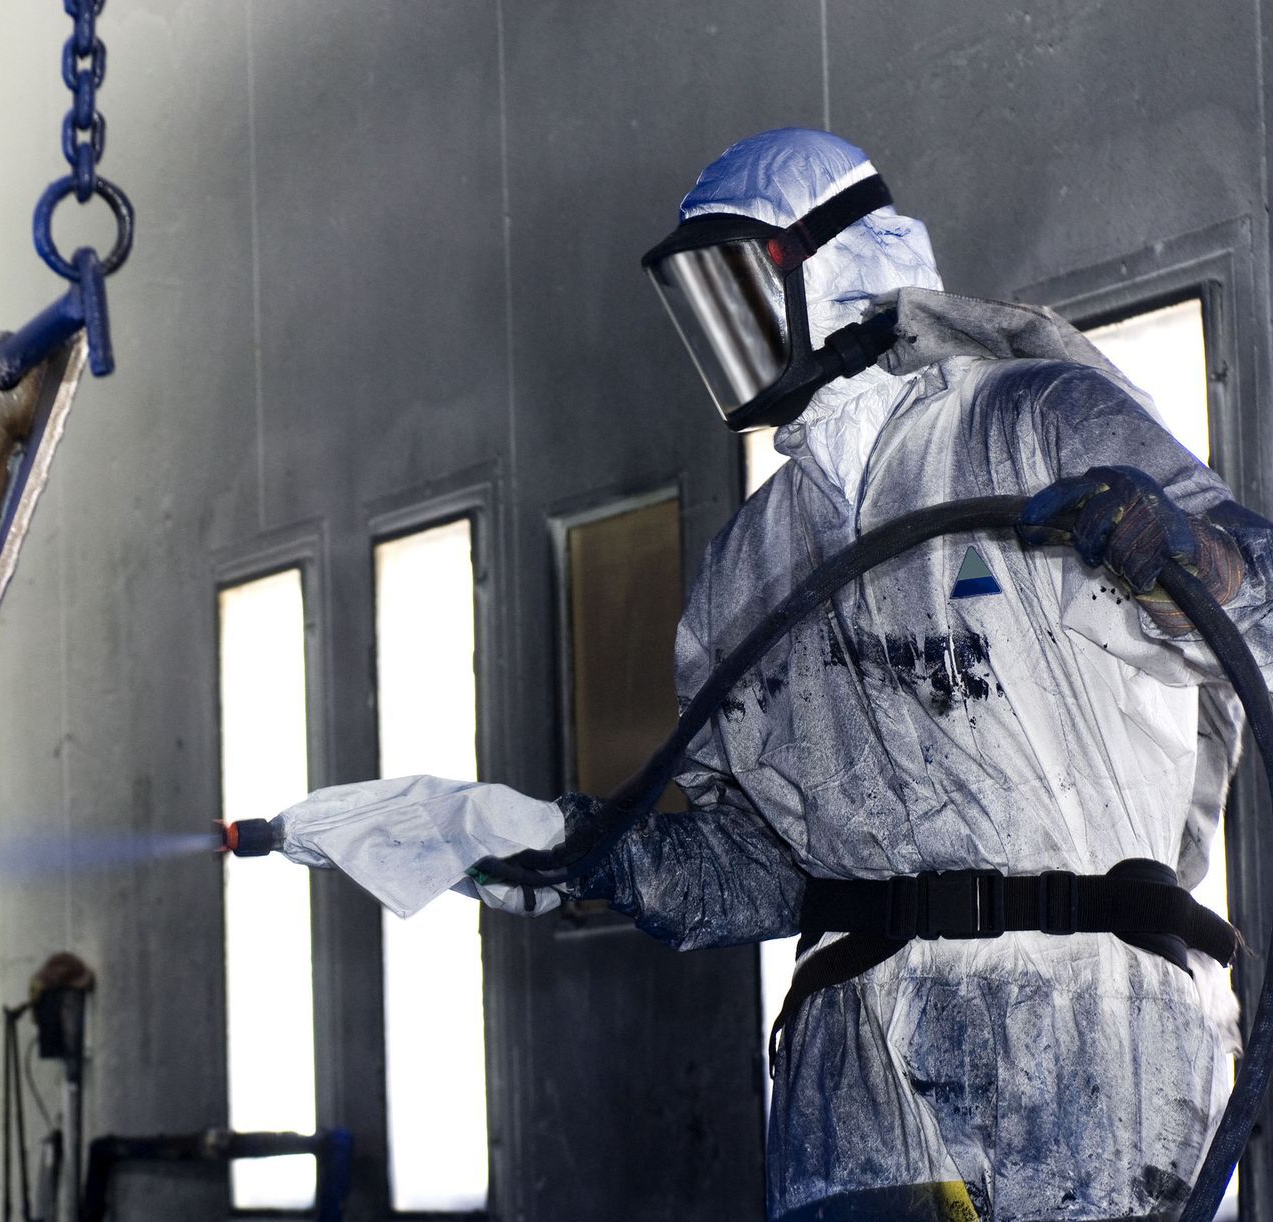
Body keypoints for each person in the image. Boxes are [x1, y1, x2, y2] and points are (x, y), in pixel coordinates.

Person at [273, 128, 1268, 1221]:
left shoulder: (1030, 426)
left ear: (842, 270)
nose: (723, 335)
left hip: (1090, 1058)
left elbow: (1249, 595)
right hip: (854, 1096)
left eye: (743, 287)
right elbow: (765, 863)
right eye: (701, 305)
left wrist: (1182, 549)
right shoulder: (750, 565)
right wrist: (572, 849)